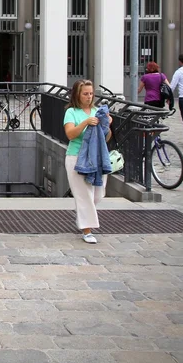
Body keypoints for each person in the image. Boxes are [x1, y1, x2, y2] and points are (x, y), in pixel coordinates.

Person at [63, 79, 112, 244]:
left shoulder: (97, 110)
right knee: (84, 195)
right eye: (85, 94)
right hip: (76, 156)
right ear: (78, 94)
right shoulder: (71, 112)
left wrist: (107, 125)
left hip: (96, 156)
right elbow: (70, 134)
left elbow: (106, 137)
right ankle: (87, 230)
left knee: (98, 194)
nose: (89, 97)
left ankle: (83, 216)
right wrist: (85, 122)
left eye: (91, 93)